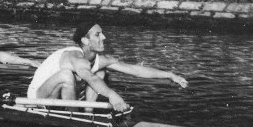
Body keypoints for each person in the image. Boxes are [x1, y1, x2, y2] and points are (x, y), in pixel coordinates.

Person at [27, 22, 187, 111]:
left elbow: (135, 70)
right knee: (66, 75)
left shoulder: (99, 59)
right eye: (98, 34)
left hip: (60, 98)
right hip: (37, 98)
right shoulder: (75, 56)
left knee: (101, 71)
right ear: (85, 41)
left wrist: (169, 74)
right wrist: (112, 95)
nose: (104, 37)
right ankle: (74, 118)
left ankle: (87, 114)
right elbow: (89, 77)